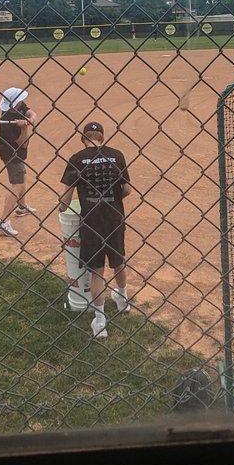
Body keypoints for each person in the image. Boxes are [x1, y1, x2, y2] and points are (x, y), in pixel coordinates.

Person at [59, 121, 133, 340]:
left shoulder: (76, 159)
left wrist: (62, 207)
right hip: (114, 216)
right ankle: (123, 299)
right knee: (118, 260)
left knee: (97, 270)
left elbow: (67, 197)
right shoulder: (116, 156)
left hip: (92, 220)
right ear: (102, 137)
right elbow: (127, 189)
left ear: (83, 138)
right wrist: (113, 199)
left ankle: (100, 321)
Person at [0, 86, 37, 237]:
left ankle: (22, 206)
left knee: (22, 175)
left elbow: (32, 113)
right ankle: (3, 221)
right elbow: (23, 144)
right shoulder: (8, 123)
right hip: (10, 152)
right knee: (17, 183)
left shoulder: (18, 106)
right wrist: (25, 128)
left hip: (16, 152)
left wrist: (29, 120)